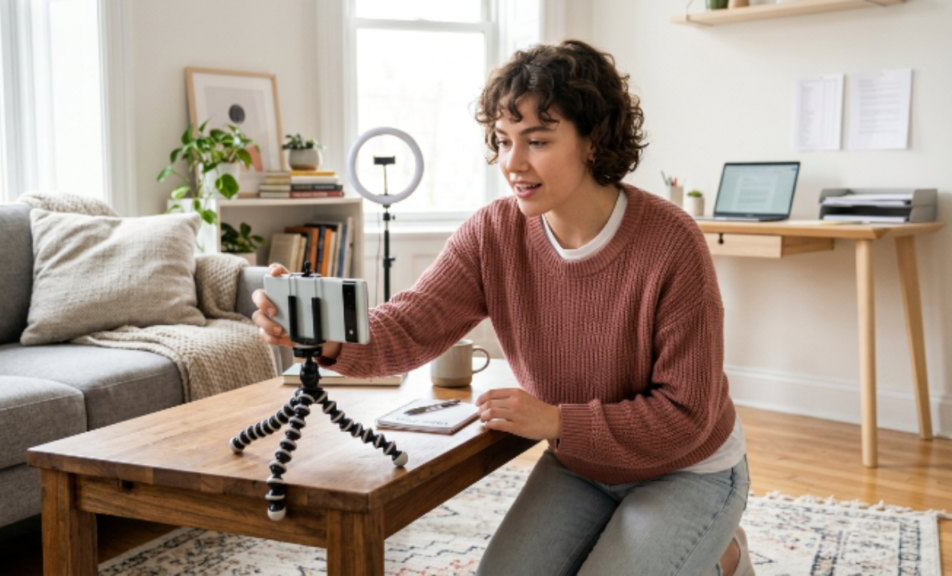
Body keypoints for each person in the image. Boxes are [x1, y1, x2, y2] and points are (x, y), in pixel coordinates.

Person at [253, 40, 755, 576]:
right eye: (502, 140)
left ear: (593, 140)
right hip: (582, 465)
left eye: (537, 140)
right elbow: (412, 323)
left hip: (687, 468)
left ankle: (720, 558)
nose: (512, 163)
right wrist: (327, 334)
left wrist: (556, 420)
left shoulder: (671, 241)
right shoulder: (494, 232)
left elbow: (687, 416)